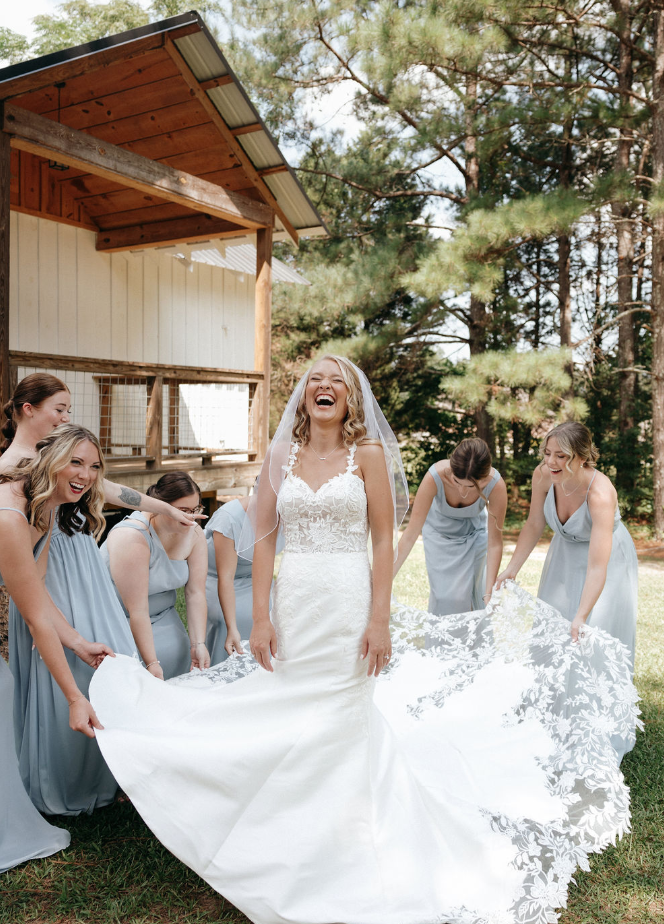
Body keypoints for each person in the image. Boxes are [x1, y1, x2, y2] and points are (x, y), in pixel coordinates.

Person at [90, 356, 638, 924]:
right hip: (297, 599)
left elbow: (382, 538)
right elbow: (267, 541)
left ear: (351, 398)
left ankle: (347, 832)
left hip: (350, 600)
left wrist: (380, 617)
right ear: (304, 397)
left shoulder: (368, 456)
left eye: (336, 382)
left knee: (344, 712)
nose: (324, 387)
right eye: (314, 381)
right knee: (292, 706)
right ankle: (287, 823)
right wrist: (259, 619)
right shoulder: (281, 456)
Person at [2, 374, 201, 815]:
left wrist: (166, 507)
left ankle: (116, 770)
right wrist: (56, 628)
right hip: (46, 580)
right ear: (27, 409)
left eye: (69, 410)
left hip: (81, 567)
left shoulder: (67, 463)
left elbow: (109, 490)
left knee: (110, 658)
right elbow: (27, 574)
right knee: (66, 674)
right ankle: (72, 773)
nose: (65, 417)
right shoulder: (15, 476)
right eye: (59, 408)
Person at [0, 426, 114, 870]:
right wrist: (74, 697)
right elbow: (32, 616)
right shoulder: (11, 516)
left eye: (94, 466)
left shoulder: (44, 510)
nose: (85, 475)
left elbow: (40, 596)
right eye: (76, 462)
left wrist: (79, 642)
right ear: (50, 459)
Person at [496, 420, 638, 759]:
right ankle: (553, 719)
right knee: (553, 635)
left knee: (588, 637)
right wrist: (512, 569)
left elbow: (597, 565)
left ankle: (596, 725)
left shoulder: (601, 492)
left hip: (606, 563)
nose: (552, 462)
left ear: (583, 457)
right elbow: (533, 523)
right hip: (563, 555)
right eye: (547, 453)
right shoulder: (543, 475)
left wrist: (583, 614)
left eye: (562, 455)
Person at [101, 472, 209, 680]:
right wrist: (152, 663)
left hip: (164, 616)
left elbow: (196, 593)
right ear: (160, 507)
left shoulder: (194, 533)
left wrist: (198, 644)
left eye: (196, 509)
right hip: (120, 620)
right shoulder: (132, 537)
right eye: (183, 511)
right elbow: (137, 610)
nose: (191, 517)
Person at [394, 438, 506, 613]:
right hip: (438, 535)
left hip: (474, 535)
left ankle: (472, 639)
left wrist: (489, 592)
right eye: (457, 482)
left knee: (471, 597)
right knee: (443, 598)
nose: (462, 491)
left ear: (484, 478)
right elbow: (410, 533)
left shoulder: (496, 484)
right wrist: (385, 581)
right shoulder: (434, 477)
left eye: (470, 486)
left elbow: (495, 543)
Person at [205, 494, 284, 664]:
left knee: (281, 610)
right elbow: (226, 578)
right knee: (240, 616)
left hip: (258, 577)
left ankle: (273, 666)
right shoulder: (230, 518)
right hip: (218, 579)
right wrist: (231, 626)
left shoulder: (287, 514)